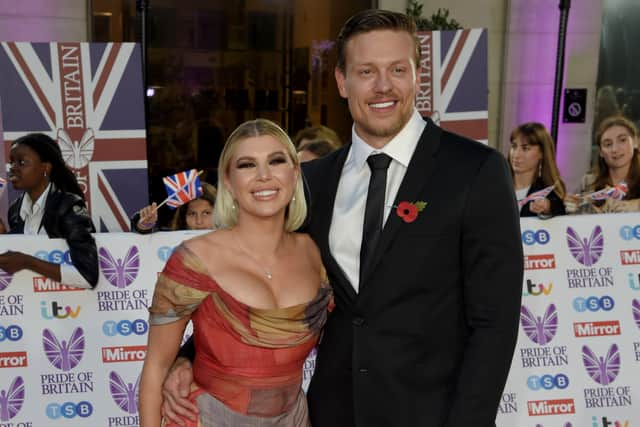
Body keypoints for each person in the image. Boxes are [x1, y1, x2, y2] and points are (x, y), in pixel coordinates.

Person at [163, 9, 523, 427]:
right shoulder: (312, 183)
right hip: (332, 412)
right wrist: (187, 359)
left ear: (417, 76)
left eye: (397, 70)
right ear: (341, 81)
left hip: (432, 415)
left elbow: (494, 323)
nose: (383, 86)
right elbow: (254, 282)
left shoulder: (476, 171)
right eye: (366, 71)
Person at [139, 119, 332, 427]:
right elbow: (155, 369)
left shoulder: (317, 251)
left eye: (276, 161)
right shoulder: (194, 260)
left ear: (295, 172)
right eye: (246, 165)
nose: (264, 176)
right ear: (228, 180)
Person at [0, 133, 98, 288]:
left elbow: (88, 276)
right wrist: (4, 237)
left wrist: (27, 262)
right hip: (33, 307)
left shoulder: (68, 207)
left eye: (22, 162)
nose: (13, 168)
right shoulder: (15, 210)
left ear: (45, 168)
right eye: (11, 162)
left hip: (70, 309)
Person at [565, 115, 640, 213]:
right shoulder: (588, 182)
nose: (615, 149)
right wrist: (573, 208)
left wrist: (636, 205)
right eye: (608, 144)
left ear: (635, 142)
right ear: (601, 152)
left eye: (622, 140)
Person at [508, 122, 566, 217]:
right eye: (514, 146)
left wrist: (548, 208)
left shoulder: (549, 193)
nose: (516, 155)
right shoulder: (496, 185)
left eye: (525, 148)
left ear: (542, 153)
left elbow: (560, 210)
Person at [131, 182, 217, 233]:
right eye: (192, 214)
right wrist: (146, 224)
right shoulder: (173, 239)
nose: (199, 221)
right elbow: (148, 233)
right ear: (183, 217)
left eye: (206, 213)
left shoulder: (229, 239)